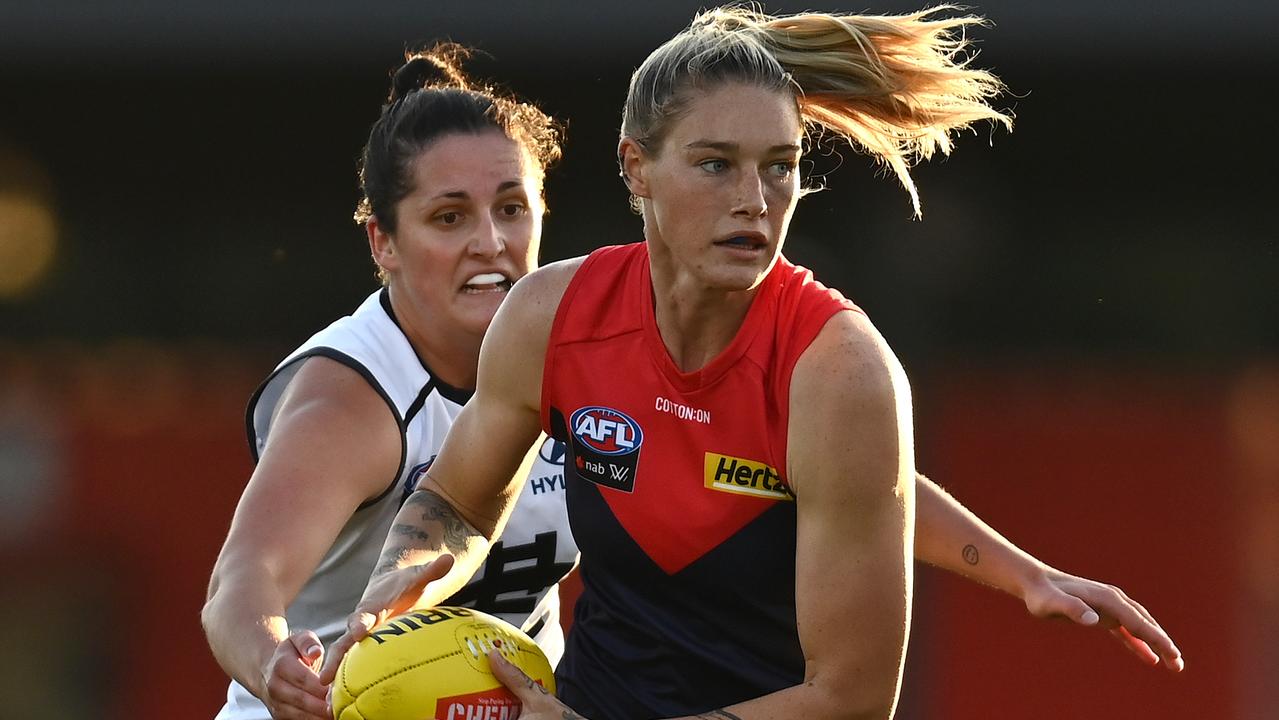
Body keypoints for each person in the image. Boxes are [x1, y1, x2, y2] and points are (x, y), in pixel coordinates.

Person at [319, 7, 1184, 720]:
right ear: (636, 170)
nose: (753, 201)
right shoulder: (551, 315)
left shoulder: (840, 370)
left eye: (780, 167)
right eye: (714, 164)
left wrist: (1021, 573)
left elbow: (850, 700)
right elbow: (455, 501)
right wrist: (402, 577)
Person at [201, 45, 579, 720]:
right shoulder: (353, 396)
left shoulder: (587, 354)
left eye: (512, 208)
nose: (489, 240)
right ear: (383, 244)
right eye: (449, 216)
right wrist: (271, 666)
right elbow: (241, 581)